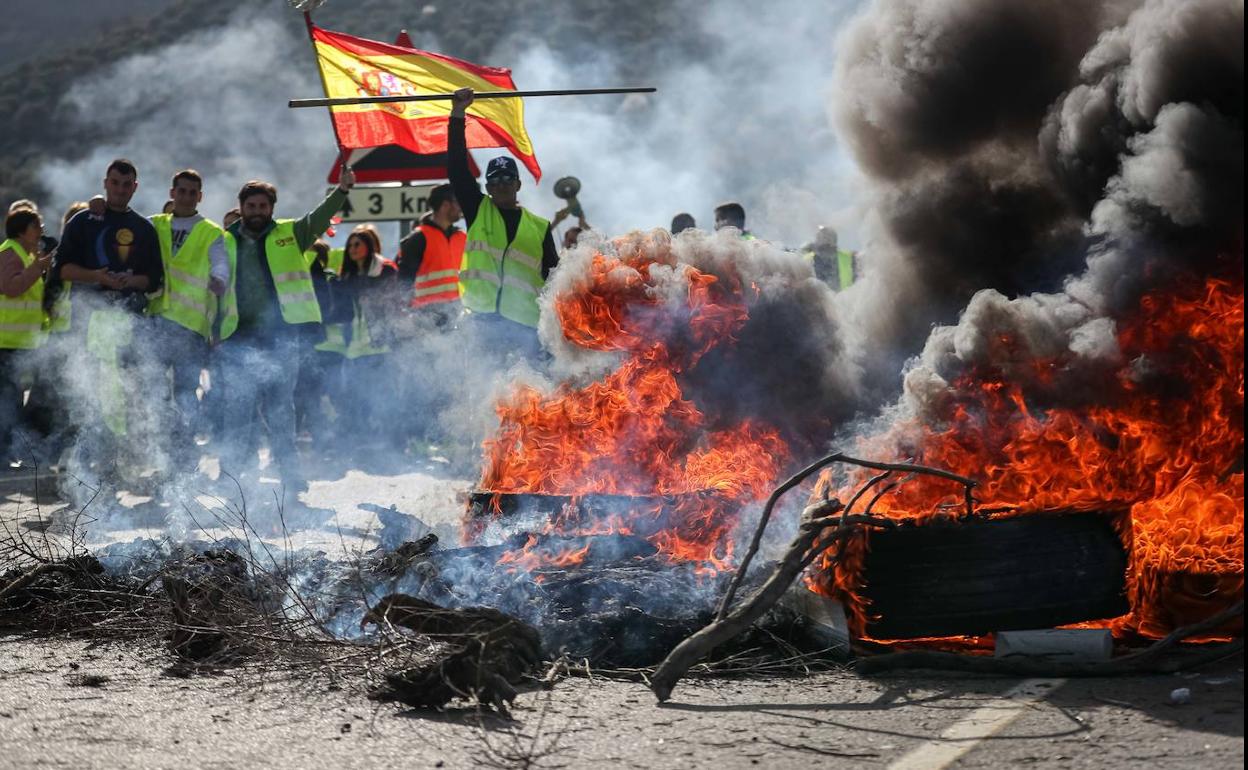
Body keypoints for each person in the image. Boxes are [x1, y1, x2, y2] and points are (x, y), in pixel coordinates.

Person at [217, 167, 354, 487]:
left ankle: (292, 481)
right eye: (251, 206)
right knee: (237, 412)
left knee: (281, 411)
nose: (257, 212)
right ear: (241, 206)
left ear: (272, 209)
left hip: (282, 337)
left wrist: (342, 191)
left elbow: (319, 218)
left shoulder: (291, 233)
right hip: (239, 337)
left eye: (263, 206)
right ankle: (234, 481)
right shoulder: (223, 240)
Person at [53, 158, 164, 446]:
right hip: (88, 321)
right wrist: (96, 276)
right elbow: (62, 269)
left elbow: (154, 278)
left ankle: (123, 456)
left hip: (130, 321)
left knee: (128, 393)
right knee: (87, 393)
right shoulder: (83, 221)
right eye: (115, 183)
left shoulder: (143, 227)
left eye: (127, 185)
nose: (120, 190)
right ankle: (83, 461)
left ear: (135, 187)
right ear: (105, 183)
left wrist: (131, 281)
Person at [448, 87, 558, 358]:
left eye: (507, 180)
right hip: (481, 323)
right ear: (488, 186)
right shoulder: (477, 208)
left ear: (518, 184)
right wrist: (458, 113)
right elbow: (457, 166)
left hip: (525, 329)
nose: (501, 185)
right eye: (494, 181)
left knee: (524, 396)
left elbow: (555, 280)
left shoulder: (540, 227)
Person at [147, 169, 231, 460]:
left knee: (184, 395)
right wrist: (97, 204)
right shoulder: (153, 224)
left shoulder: (210, 232)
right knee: (154, 392)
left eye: (192, 192)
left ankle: (184, 455)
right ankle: (162, 453)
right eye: (181, 190)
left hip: (190, 327)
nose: (185, 196)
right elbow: (123, 227)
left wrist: (219, 279)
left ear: (200, 196)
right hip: (156, 320)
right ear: (172, 193)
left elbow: (220, 263)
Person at [317, 225, 396, 442]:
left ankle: (385, 439)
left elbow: (393, 303)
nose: (352, 248)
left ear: (369, 246)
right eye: (350, 245)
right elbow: (342, 312)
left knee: (380, 394)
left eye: (357, 244)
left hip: (380, 344)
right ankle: (359, 437)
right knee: (355, 394)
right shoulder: (346, 277)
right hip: (355, 346)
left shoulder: (385, 270)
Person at [0, 208, 53, 464]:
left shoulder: (24, 254)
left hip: (19, 342)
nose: (41, 229)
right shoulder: (10, 253)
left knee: (13, 399)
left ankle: (9, 453)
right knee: (7, 401)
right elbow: (11, 287)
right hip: (6, 343)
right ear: (22, 230)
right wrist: (38, 269)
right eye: (36, 225)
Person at [396, 183, 465, 323]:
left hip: (457, 314)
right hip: (426, 317)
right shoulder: (418, 239)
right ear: (445, 205)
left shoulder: (461, 238)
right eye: (458, 203)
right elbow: (403, 282)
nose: (461, 208)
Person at [801, 226, 856, 290]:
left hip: (845, 297)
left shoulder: (849, 258)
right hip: (816, 298)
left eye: (828, 238)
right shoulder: (807, 260)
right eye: (823, 237)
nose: (826, 240)